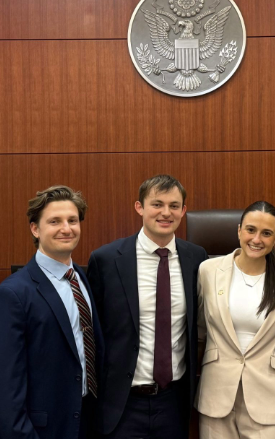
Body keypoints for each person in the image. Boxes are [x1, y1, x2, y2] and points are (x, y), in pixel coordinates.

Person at [87, 174, 208, 438]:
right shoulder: (106, 260)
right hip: (122, 402)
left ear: (183, 211)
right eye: (157, 204)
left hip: (174, 402)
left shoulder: (196, 259)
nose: (166, 213)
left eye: (174, 206)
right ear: (139, 207)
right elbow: (93, 336)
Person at [0, 185, 103, 439]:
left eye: (72, 220)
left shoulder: (80, 277)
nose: (66, 229)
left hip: (85, 422)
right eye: (54, 221)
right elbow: (2, 389)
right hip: (40, 431)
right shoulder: (11, 294)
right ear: (35, 229)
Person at [196, 201, 275, 438]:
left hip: (269, 398)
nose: (257, 239)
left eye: (266, 233)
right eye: (251, 230)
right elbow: (200, 329)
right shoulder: (208, 271)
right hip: (217, 396)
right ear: (239, 230)